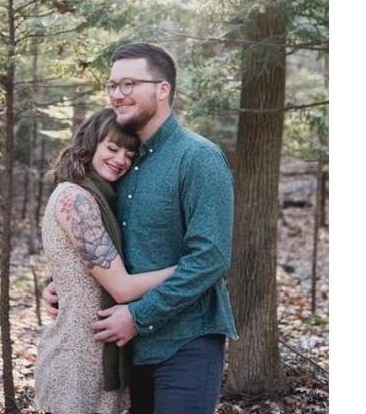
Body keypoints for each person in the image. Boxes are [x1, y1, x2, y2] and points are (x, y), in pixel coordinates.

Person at [43, 42, 238, 414]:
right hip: (127, 350)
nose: (118, 94)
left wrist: (139, 315)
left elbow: (211, 257)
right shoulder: (121, 162)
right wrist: (61, 284)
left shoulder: (198, 158)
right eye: (113, 85)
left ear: (162, 89)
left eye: (129, 84)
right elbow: (103, 241)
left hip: (185, 343)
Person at [34, 108, 177, 414]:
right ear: (90, 145)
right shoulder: (77, 199)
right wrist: (186, 269)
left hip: (99, 351)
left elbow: (75, 266)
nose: (121, 160)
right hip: (79, 358)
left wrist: (53, 285)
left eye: (129, 153)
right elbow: (122, 288)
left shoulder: (102, 198)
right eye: (112, 148)